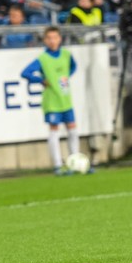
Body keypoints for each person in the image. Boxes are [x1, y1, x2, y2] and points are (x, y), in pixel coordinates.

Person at [21, 26, 83, 175]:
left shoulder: (66, 55)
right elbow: (25, 73)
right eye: (49, 38)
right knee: (54, 130)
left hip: (66, 98)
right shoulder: (43, 59)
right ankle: (57, 165)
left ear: (60, 38)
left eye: (55, 37)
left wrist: (66, 76)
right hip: (52, 100)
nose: (52, 41)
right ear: (45, 40)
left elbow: (73, 67)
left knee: (72, 129)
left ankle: (74, 162)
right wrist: (41, 80)